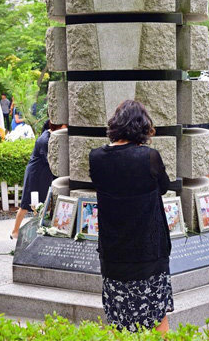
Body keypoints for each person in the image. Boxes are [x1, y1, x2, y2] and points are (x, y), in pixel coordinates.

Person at [89, 100, 172, 334]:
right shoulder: (149, 157)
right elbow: (163, 187)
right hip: (149, 250)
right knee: (157, 314)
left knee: (118, 317)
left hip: (114, 252)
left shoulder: (96, 157)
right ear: (143, 126)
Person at [10, 121, 63, 239]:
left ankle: (40, 228)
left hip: (44, 174)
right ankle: (15, 231)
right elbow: (50, 161)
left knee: (45, 202)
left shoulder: (51, 137)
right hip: (35, 174)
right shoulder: (45, 140)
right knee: (26, 204)